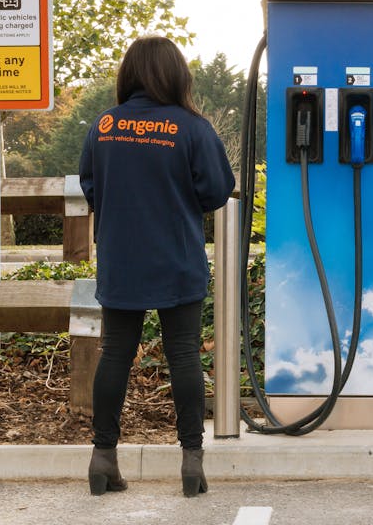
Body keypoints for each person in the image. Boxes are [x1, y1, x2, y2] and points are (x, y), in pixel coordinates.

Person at [79, 35, 236, 497]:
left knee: (115, 353)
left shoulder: (103, 126)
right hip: (177, 260)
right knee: (183, 353)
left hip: (121, 260)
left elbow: (91, 186)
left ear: (129, 75)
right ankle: (191, 462)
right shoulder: (192, 127)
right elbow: (216, 191)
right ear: (176, 75)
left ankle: (102, 457)